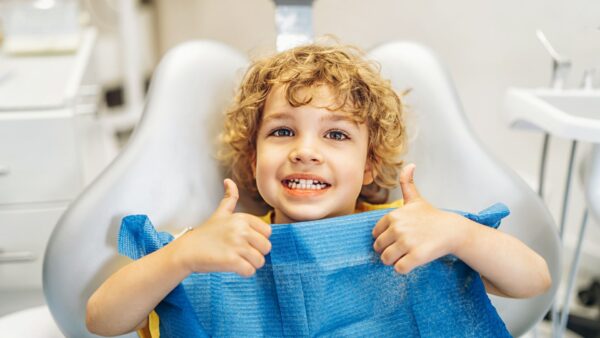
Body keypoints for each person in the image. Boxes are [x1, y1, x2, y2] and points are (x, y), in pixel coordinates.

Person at [86, 43, 551, 337]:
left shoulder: (412, 231)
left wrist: (458, 234)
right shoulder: (218, 247)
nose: (306, 151)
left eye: (336, 135)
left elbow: (534, 281)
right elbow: (102, 320)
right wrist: (181, 256)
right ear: (253, 160)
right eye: (283, 132)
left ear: (370, 166)